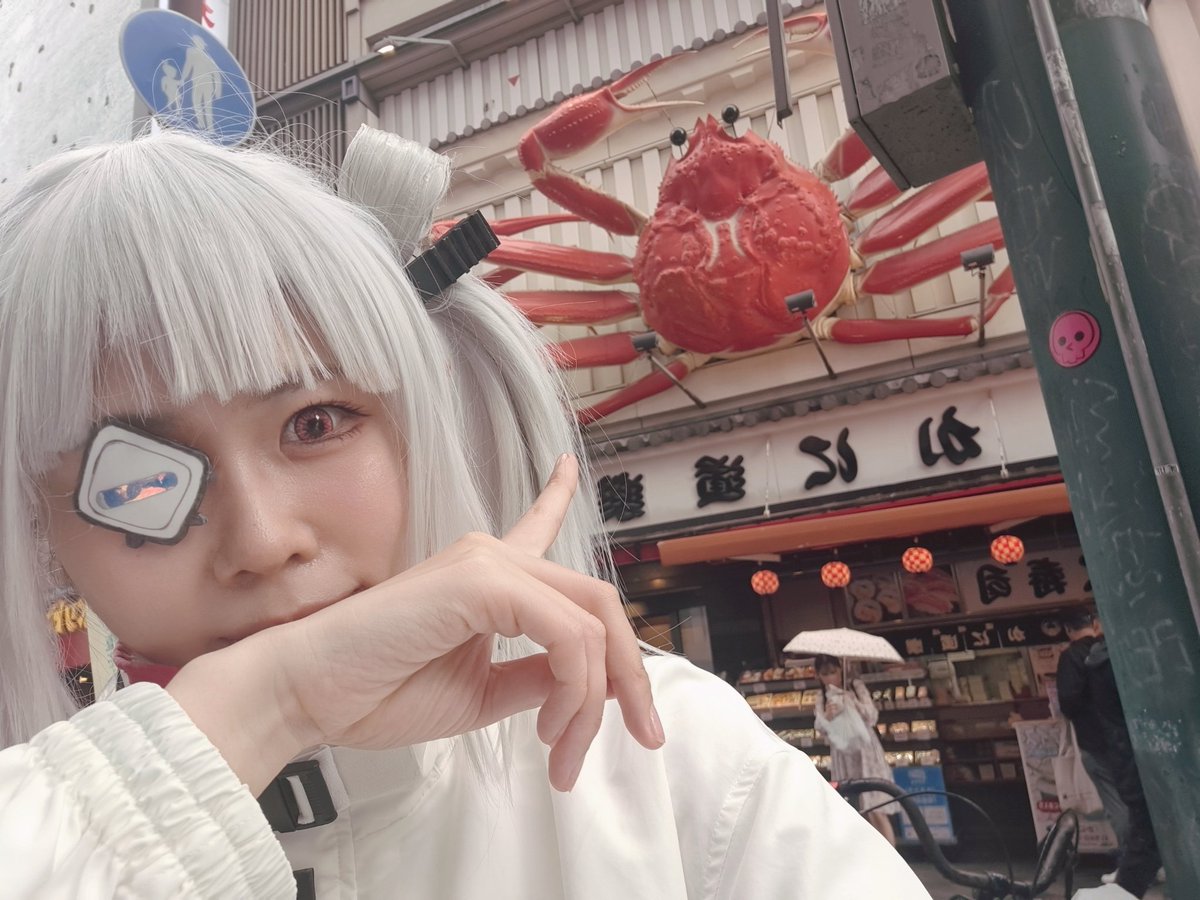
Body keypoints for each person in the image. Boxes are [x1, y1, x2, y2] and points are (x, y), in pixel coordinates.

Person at [0, 127, 932, 898]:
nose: (263, 539)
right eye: (136, 483)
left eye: (316, 423)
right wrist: (261, 713)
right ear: (42, 532)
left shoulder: (665, 759)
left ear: (419, 419)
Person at [1056, 609, 1163, 898]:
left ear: (1068, 630)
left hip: (1096, 742)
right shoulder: (1114, 651)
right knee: (1143, 798)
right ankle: (1152, 861)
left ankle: (1133, 864)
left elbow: (1068, 701)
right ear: (1095, 624)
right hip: (1132, 740)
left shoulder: (1073, 658)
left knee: (1119, 804)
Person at [812, 654, 898, 845]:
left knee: (876, 806)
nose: (830, 677)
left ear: (841, 670)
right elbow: (820, 728)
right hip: (843, 754)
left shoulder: (855, 687)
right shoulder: (821, 696)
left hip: (866, 752)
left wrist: (852, 701)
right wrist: (827, 716)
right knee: (858, 809)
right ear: (818, 675)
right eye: (825, 674)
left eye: (833, 672)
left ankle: (891, 854)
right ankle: (871, 852)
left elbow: (872, 716)